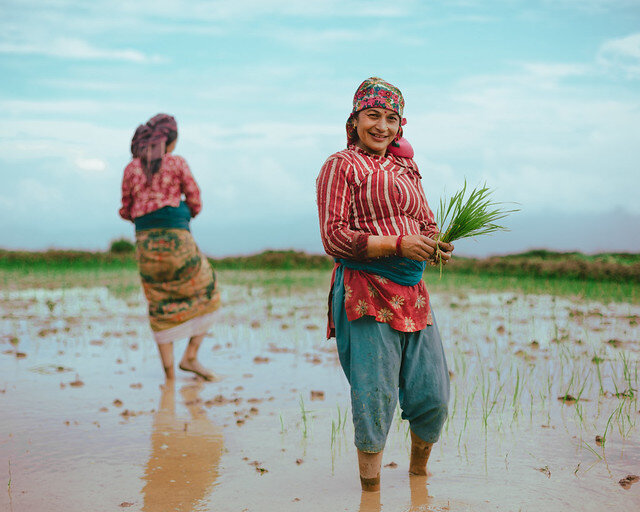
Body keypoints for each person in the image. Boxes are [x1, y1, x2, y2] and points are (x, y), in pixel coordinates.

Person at [316, 77, 454, 492]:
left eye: (391, 118)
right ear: (355, 119)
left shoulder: (406, 167)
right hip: (366, 289)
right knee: (374, 399)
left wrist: (433, 245)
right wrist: (396, 243)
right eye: (373, 115)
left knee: (433, 395)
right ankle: (370, 494)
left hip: (413, 293)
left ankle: (418, 482)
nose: (382, 126)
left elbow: (425, 221)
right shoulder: (341, 165)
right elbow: (333, 237)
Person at [119, 113, 220, 381]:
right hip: (178, 243)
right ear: (170, 142)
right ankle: (190, 357)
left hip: (146, 247)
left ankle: (169, 378)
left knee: (158, 302)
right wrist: (182, 211)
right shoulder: (177, 163)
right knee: (209, 290)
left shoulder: (131, 169)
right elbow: (196, 200)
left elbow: (125, 209)